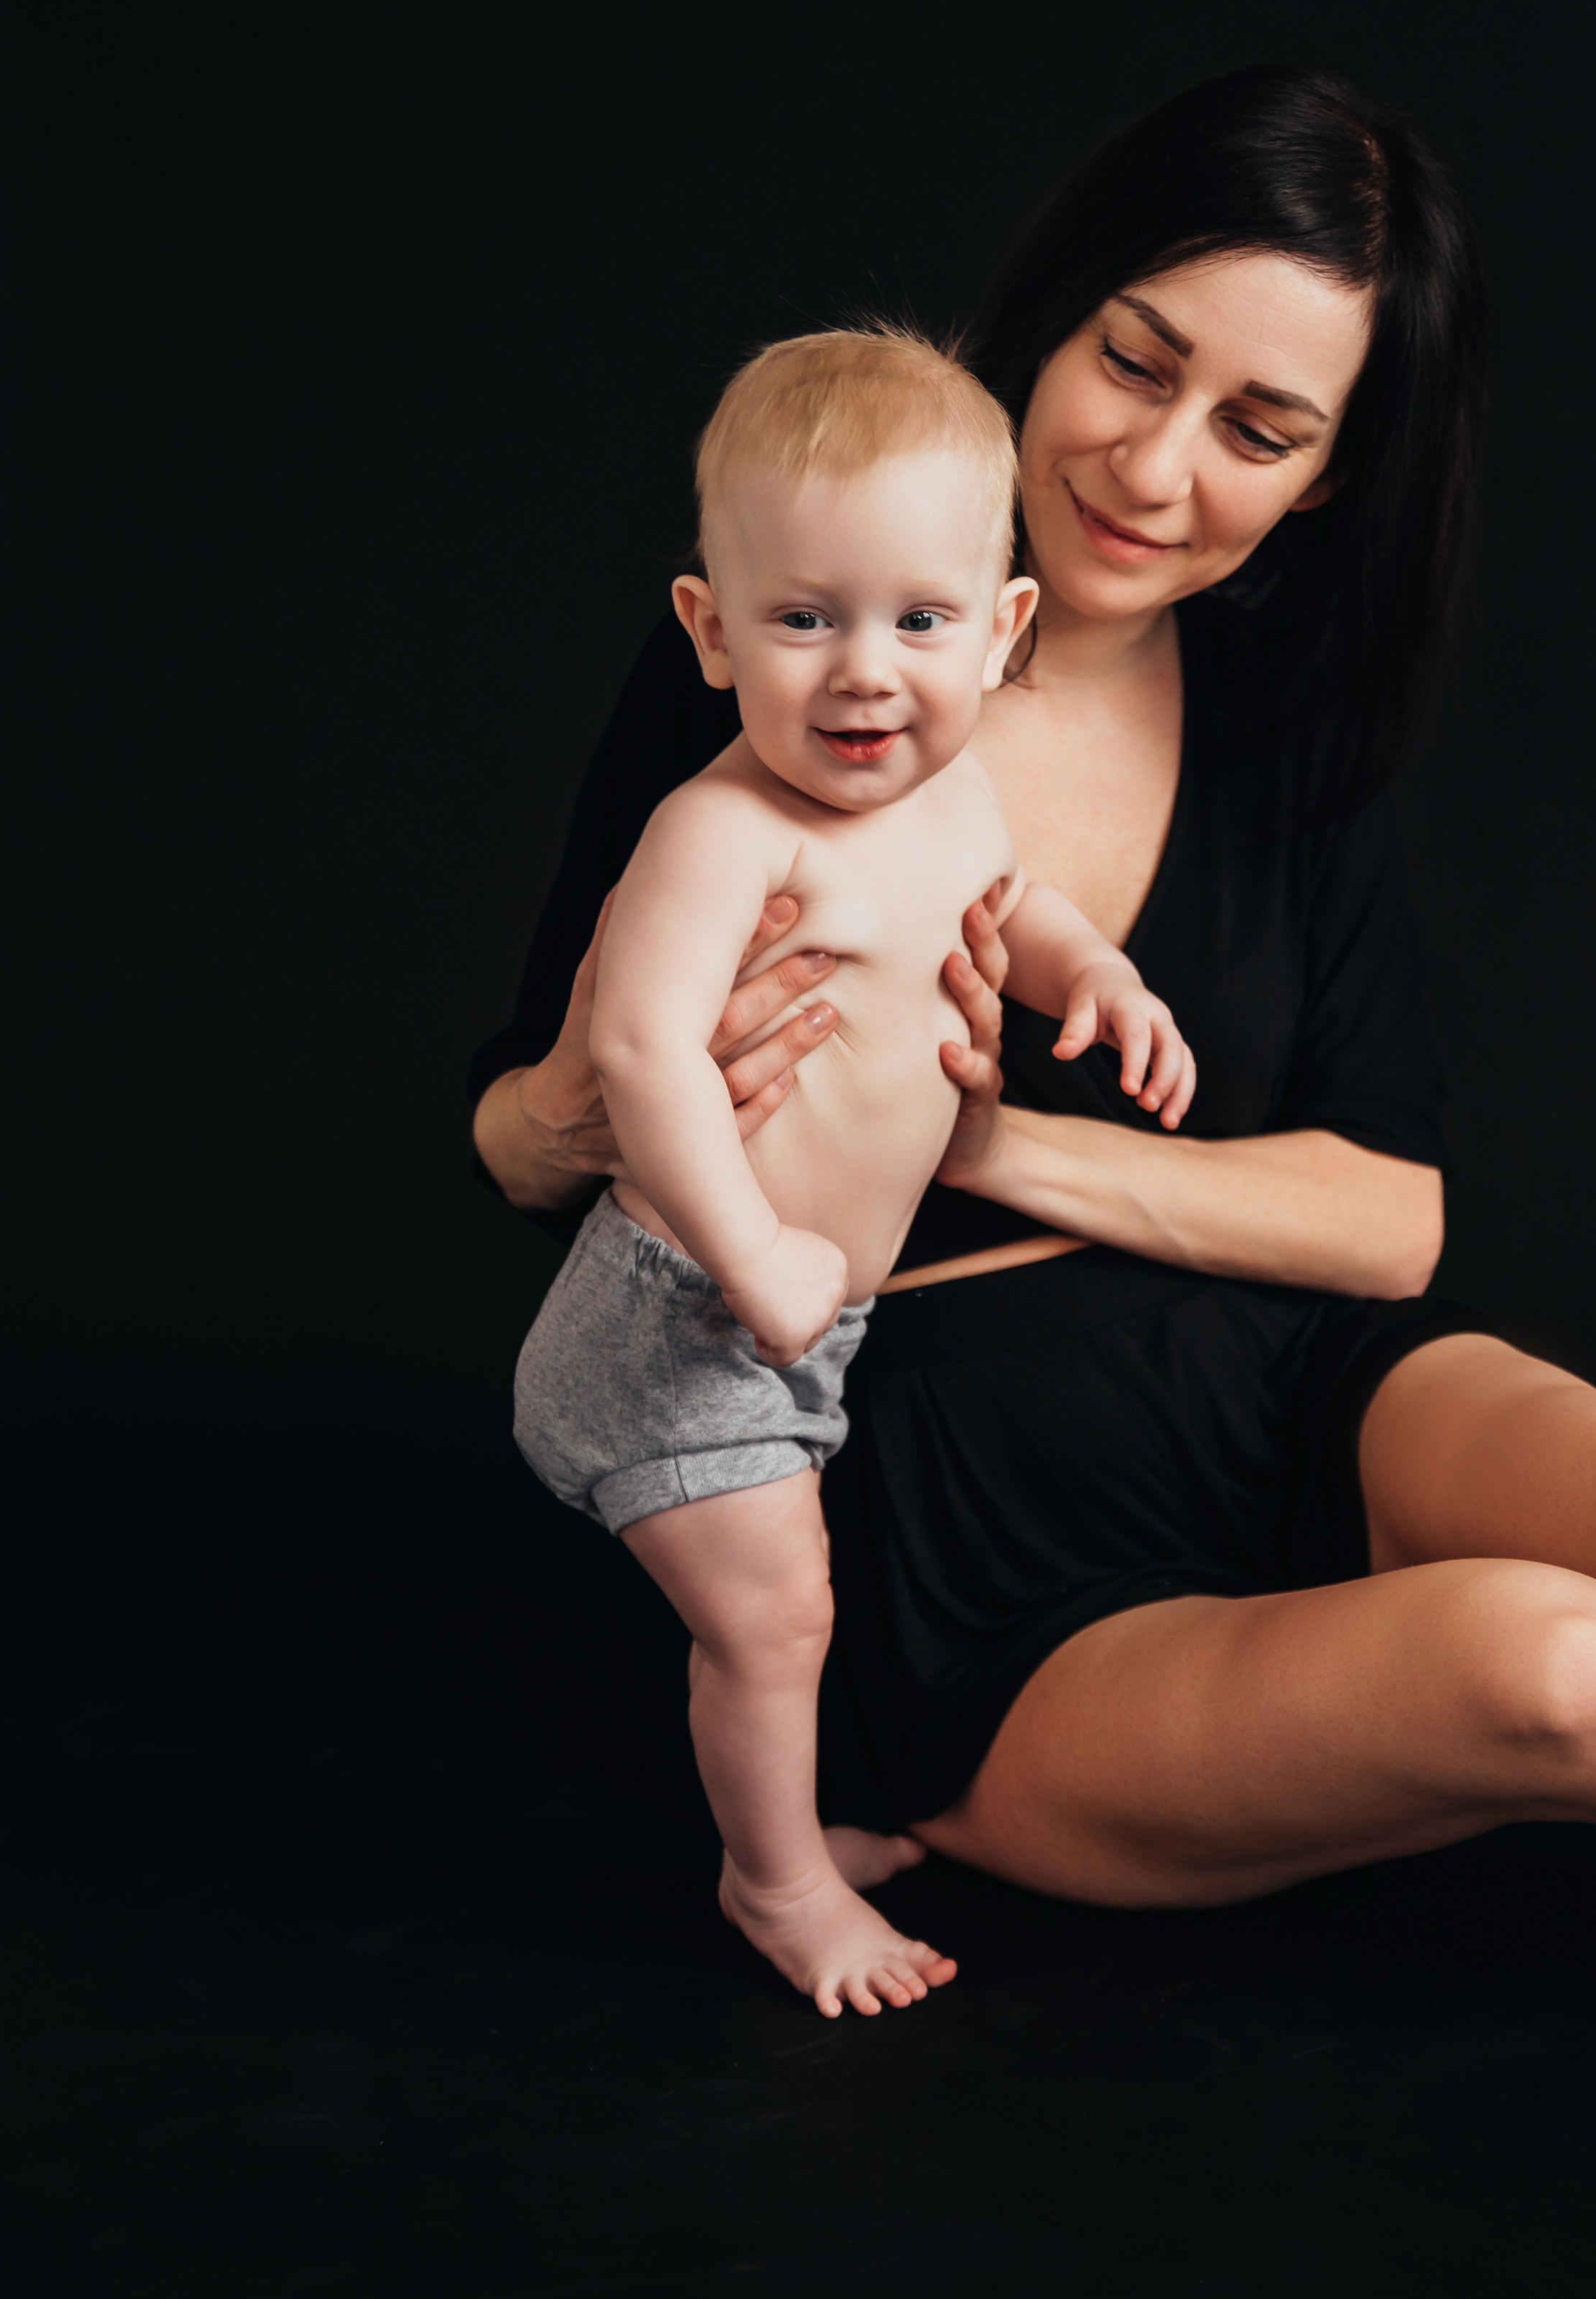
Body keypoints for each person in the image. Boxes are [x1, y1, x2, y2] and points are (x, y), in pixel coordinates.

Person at [474, 63, 1596, 1930]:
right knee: (1566, 1675)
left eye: (1260, 428)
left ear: (1328, 475)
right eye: (1137, 359)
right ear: (1058, 310)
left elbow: (1390, 1217)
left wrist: (998, 1144)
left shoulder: (1283, 723)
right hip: (954, 1523)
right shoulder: (804, 647)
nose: (1155, 464)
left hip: (1284, 1381)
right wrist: (601, 1094)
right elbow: (515, 1137)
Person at [510, 327, 1191, 2016]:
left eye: (918, 620)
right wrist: (748, 1256)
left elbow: (1006, 913)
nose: (863, 674)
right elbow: (643, 1055)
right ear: (709, 631)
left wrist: (1089, 970)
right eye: (801, 619)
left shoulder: (952, 796)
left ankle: (785, 1823)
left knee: (793, 1617)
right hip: (676, 1317)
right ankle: (777, 1882)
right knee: (778, 1622)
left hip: (801, 1315)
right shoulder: (717, 833)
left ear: (1005, 628)